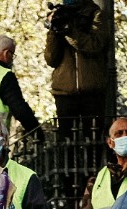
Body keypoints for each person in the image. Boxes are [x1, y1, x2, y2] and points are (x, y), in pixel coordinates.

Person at [44, 0, 111, 138]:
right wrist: (53, 31)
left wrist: (71, 32)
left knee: (93, 138)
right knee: (65, 140)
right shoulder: (60, 14)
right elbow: (51, 59)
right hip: (64, 91)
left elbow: (95, 45)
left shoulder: (95, 14)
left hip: (92, 91)